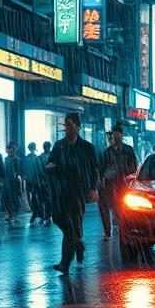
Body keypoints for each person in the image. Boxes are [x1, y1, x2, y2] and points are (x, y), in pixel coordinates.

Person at [46, 113, 100, 273]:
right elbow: (50, 161)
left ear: (78, 127)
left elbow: (94, 169)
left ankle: (65, 263)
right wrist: (49, 168)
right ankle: (78, 243)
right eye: (66, 125)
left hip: (78, 192)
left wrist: (93, 188)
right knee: (58, 219)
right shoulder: (59, 146)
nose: (67, 129)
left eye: (70, 125)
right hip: (60, 191)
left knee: (71, 225)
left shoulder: (87, 148)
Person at [99, 124, 139, 241]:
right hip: (109, 184)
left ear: (121, 135)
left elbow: (134, 166)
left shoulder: (128, 150)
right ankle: (108, 231)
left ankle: (122, 227)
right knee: (106, 208)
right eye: (114, 135)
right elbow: (102, 168)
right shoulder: (107, 152)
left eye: (118, 135)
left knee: (121, 208)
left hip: (123, 184)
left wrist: (130, 180)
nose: (116, 137)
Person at [23, 142, 44, 224]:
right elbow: (39, 170)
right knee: (37, 198)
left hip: (30, 181)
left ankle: (36, 213)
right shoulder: (36, 158)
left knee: (33, 198)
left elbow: (24, 170)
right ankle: (39, 213)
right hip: (34, 181)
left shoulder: (27, 158)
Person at [3, 142, 23, 220]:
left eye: (14, 149)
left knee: (15, 196)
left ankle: (14, 211)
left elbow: (19, 171)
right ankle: (10, 212)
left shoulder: (17, 159)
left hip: (14, 180)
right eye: (11, 149)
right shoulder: (6, 159)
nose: (12, 150)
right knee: (8, 197)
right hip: (7, 180)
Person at [38, 140, 54, 224]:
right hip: (45, 181)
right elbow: (40, 169)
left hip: (50, 181)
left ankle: (48, 215)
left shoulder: (52, 155)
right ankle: (47, 215)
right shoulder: (41, 157)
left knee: (48, 199)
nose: (48, 148)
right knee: (46, 199)